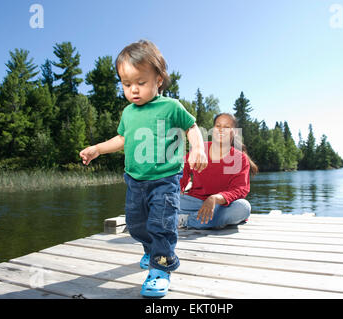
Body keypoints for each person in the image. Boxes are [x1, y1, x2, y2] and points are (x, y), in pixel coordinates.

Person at [79, 40, 207, 298]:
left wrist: (198, 149)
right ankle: (151, 250)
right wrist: (98, 149)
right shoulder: (128, 113)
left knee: (161, 225)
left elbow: (192, 128)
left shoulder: (171, 107)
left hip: (165, 180)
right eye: (127, 84)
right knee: (137, 225)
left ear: (158, 80)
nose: (133, 90)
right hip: (135, 181)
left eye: (141, 82)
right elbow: (122, 140)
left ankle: (161, 269)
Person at [179, 113, 258, 229]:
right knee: (164, 198)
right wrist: (178, 189)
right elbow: (181, 171)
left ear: (234, 132)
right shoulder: (200, 150)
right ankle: (206, 219)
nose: (221, 130)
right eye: (218, 126)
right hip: (194, 202)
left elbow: (240, 190)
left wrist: (215, 198)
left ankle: (185, 221)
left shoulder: (240, 158)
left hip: (222, 206)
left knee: (243, 208)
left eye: (226, 127)